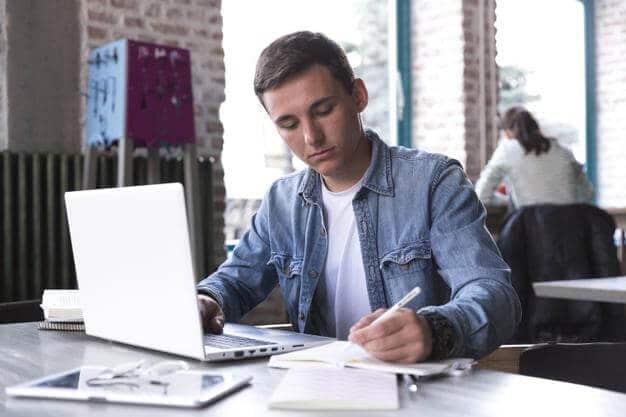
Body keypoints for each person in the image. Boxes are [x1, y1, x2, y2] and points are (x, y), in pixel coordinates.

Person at [196, 31, 521, 364]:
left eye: (323, 110)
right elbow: (234, 281)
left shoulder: (433, 183)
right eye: (289, 124)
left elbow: (494, 296)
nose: (311, 137)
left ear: (359, 95)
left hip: (416, 393)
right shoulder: (282, 201)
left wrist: (434, 330)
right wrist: (207, 299)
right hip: (318, 388)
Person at [475, 106, 594, 208]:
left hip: (531, 229)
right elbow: (588, 194)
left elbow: (482, 195)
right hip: (572, 228)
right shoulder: (563, 151)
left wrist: (509, 201)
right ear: (536, 128)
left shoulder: (507, 150)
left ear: (508, 132)